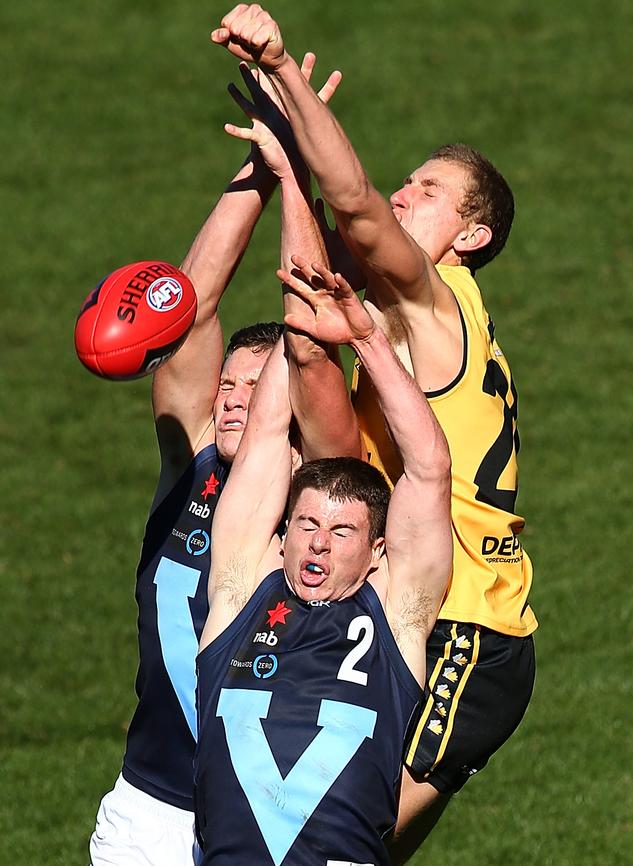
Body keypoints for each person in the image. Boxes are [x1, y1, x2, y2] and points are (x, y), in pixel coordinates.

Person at [212, 7, 537, 861]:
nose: (402, 195)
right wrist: (289, 177)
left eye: (428, 194)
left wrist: (282, 69)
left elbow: (353, 206)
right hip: (422, 615)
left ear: (471, 236)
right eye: (409, 182)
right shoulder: (389, 331)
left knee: (321, 840)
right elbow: (320, 382)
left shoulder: (433, 302)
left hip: (466, 631)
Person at [89, 52, 341, 866]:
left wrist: (302, 179)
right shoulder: (189, 467)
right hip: (150, 811)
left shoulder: (316, 499)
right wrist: (261, 165)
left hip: (267, 816)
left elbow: (309, 343)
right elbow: (187, 310)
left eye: (252, 386)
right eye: (225, 383)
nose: (232, 397)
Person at [194, 264, 452, 866]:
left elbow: (429, 470)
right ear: (283, 533)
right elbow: (265, 435)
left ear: (377, 552)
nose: (318, 544)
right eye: (307, 524)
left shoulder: (395, 618)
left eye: (342, 532)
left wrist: (364, 337)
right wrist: (300, 321)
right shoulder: (239, 591)